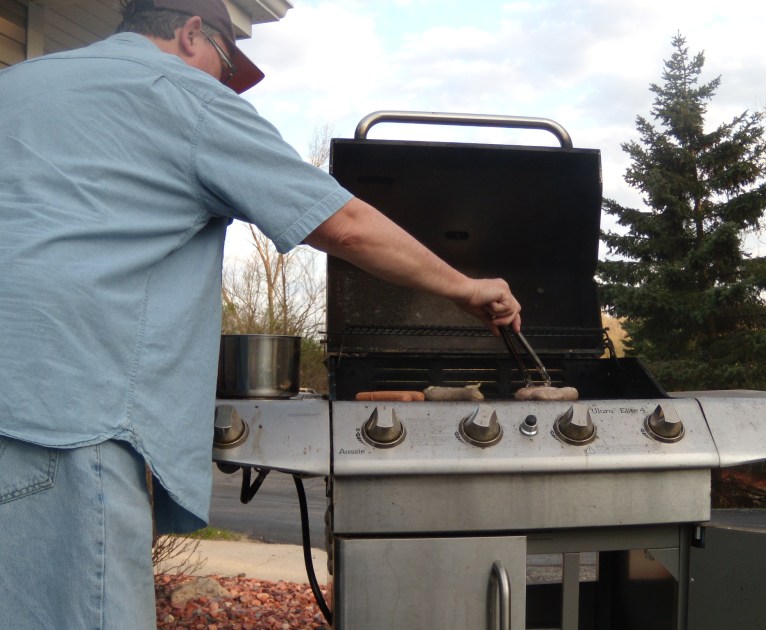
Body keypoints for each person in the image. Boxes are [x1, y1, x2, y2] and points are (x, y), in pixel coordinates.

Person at [0, 0, 521, 627]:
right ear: (191, 33)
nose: (224, 84)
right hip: (61, 415)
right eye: (226, 66)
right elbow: (344, 226)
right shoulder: (184, 96)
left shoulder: (18, 85)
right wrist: (465, 288)